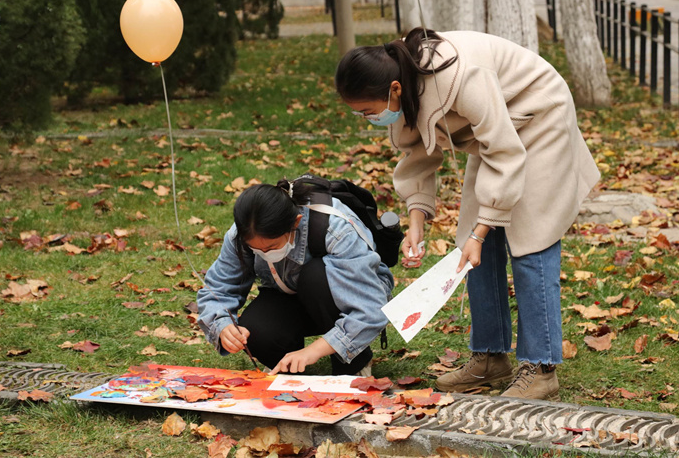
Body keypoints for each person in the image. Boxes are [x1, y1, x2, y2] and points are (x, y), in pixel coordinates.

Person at [334, 28, 600, 400]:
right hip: (493, 133)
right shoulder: (400, 84)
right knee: (472, 249)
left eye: (366, 111)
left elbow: (504, 152)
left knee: (531, 238)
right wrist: (416, 223)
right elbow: (418, 153)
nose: (366, 119)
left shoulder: (461, 76)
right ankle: (490, 357)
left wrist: (481, 231)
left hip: (537, 116)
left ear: (393, 89)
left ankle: (541, 369)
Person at [197, 179, 394, 376]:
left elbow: (370, 308)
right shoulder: (242, 234)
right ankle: (287, 365)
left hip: (342, 296)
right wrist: (223, 325)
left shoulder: (336, 229)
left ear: (296, 222)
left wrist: (313, 351)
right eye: (256, 249)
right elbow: (218, 289)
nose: (265, 253)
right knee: (256, 328)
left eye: (272, 247)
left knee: (314, 277)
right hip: (289, 295)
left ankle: (355, 363)